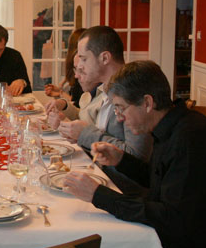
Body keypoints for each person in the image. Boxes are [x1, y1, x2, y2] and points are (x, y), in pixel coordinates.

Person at [63, 60, 206, 248]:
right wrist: (121, 160)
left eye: (121, 108)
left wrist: (98, 195)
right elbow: (159, 180)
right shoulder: (172, 125)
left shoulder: (189, 139)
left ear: (148, 103)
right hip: (169, 235)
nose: (119, 117)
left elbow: (173, 219)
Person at [47, 26, 151, 161]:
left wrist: (84, 134)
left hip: (114, 179)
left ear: (105, 58)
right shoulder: (105, 89)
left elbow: (136, 157)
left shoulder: (133, 92)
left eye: (84, 59)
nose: (80, 67)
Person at [44, 27, 85, 107]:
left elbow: (77, 103)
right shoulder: (77, 71)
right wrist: (59, 92)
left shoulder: (83, 73)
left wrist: (60, 93)